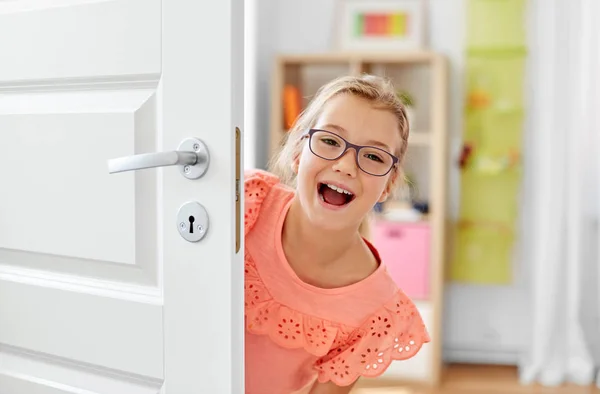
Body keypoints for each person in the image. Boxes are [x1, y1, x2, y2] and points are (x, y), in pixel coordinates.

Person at [244, 74, 430, 394]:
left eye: (373, 156)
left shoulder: (375, 310)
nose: (346, 166)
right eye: (330, 141)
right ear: (299, 153)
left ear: (388, 184)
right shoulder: (248, 201)